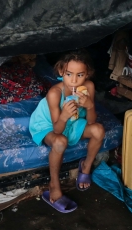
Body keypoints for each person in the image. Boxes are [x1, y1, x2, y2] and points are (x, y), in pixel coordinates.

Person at [29, 49, 105, 213]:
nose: (74, 80)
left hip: (73, 122)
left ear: (87, 74)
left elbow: (91, 121)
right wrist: (64, 116)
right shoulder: (55, 93)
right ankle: (54, 184)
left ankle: (86, 166)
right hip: (49, 125)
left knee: (98, 130)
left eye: (80, 75)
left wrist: (90, 106)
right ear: (61, 72)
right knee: (60, 141)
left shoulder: (88, 87)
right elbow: (57, 129)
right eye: (69, 74)